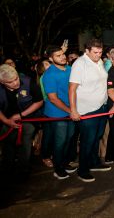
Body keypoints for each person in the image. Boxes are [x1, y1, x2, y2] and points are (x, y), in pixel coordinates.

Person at [69, 38, 110, 182]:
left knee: (97, 136)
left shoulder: (99, 61)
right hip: (87, 110)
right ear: (87, 51)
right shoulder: (80, 64)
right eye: (95, 52)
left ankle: (94, 162)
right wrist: (73, 110)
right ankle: (83, 170)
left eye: (100, 52)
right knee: (88, 140)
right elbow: (72, 89)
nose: (98, 55)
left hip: (101, 107)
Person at [0, 64, 43, 177]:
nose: (15, 83)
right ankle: (7, 167)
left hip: (28, 117)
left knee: (26, 140)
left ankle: (23, 168)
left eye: (16, 78)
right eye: (10, 82)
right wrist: (6, 121)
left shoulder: (28, 81)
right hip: (7, 119)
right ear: (2, 82)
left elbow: (39, 101)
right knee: (8, 143)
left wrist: (21, 115)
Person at [42, 45, 76, 179]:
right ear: (50, 58)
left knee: (69, 138)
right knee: (60, 141)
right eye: (58, 55)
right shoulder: (49, 74)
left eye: (62, 54)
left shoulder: (70, 69)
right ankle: (58, 168)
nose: (62, 57)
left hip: (71, 110)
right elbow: (53, 99)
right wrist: (70, 110)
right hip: (57, 113)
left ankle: (64, 162)